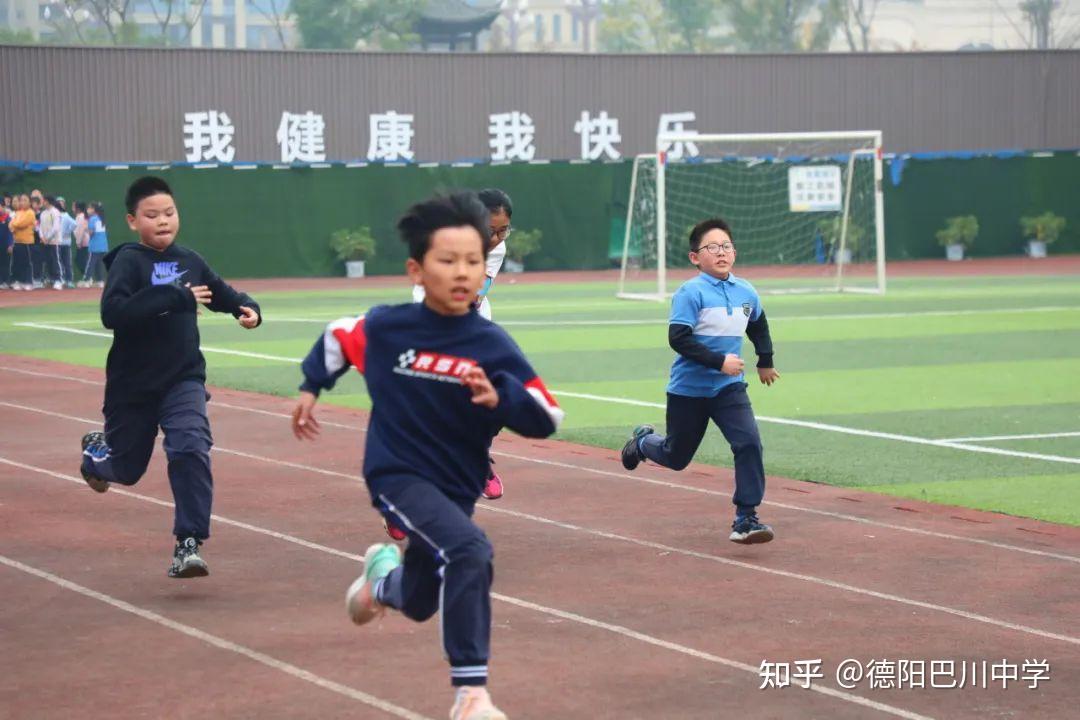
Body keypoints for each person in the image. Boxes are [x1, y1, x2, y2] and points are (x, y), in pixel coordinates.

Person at [292, 191, 562, 720]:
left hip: (457, 484)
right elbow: (338, 336)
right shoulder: (391, 328)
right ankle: (471, 695)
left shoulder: (492, 345)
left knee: (420, 600)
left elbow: (546, 416)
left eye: (473, 261)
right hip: (397, 473)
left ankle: (381, 582)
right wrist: (310, 386)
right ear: (416, 269)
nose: (463, 272)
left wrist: (501, 399)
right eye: (448, 260)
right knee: (469, 551)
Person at [79, 177, 262, 578]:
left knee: (190, 446)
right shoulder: (128, 262)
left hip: (183, 380)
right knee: (127, 470)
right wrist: (175, 296)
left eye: (169, 213)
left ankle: (189, 543)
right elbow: (114, 314)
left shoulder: (189, 261)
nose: (163, 221)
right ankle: (96, 456)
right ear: (132, 220)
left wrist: (246, 308)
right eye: (152, 215)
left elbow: (219, 292)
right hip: (133, 387)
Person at [620, 217, 780, 545]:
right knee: (676, 457)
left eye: (726, 246)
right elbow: (679, 339)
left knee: (749, 443)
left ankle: (746, 517)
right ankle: (642, 442)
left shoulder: (746, 291)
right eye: (712, 247)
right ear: (695, 258)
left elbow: (758, 324)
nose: (721, 252)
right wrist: (719, 361)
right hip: (688, 391)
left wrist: (765, 361)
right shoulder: (690, 293)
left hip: (728, 389)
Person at [410, 188, 513, 505]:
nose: (496, 238)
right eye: (489, 230)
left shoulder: (495, 248)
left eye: (502, 230)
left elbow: (476, 294)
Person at [9, 195, 37, 290]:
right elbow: (10, 224)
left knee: (27, 263)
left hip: (27, 243)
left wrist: (14, 224)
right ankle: (19, 281)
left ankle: (28, 282)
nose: (22, 202)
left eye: (25, 200)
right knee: (18, 263)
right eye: (21, 200)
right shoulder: (18, 212)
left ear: (29, 202)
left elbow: (20, 224)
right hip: (17, 242)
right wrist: (14, 224)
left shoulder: (30, 213)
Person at [39, 195, 64, 290]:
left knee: (56, 260)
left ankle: (59, 280)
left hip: (54, 241)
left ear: (48, 201)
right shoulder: (43, 213)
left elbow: (56, 228)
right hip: (45, 242)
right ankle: (51, 279)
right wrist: (42, 237)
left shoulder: (55, 212)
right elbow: (40, 227)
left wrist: (47, 238)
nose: (42, 202)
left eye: (43, 200)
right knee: (48, 261)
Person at [82, 202, 108, 287]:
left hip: (95, 246)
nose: (88, 210)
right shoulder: (102, 218)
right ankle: (100, 281)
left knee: (91, 263)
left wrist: (85, 229)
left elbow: (91, 232)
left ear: (93, 209)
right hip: (103, 245)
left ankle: (86, 280)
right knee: (99, 264)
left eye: (89, 208)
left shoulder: (93, 219)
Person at [57, 197, 77, 288]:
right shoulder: (54, 215)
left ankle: (69, 281)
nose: (61, 205)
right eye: (59, 203)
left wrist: (67, 232)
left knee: (67, 262)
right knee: (59, 263)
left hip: (66, 243)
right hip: (57, 243)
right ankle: (62, 280)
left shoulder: (66, 215)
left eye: (62, 203)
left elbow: (74, 224)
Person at [0, 195, 13, 289]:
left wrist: (10, 245)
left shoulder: (8, 218)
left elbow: (10, 233)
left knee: (5, 264)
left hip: (5, 246)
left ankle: (6, 281)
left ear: (3, 207)